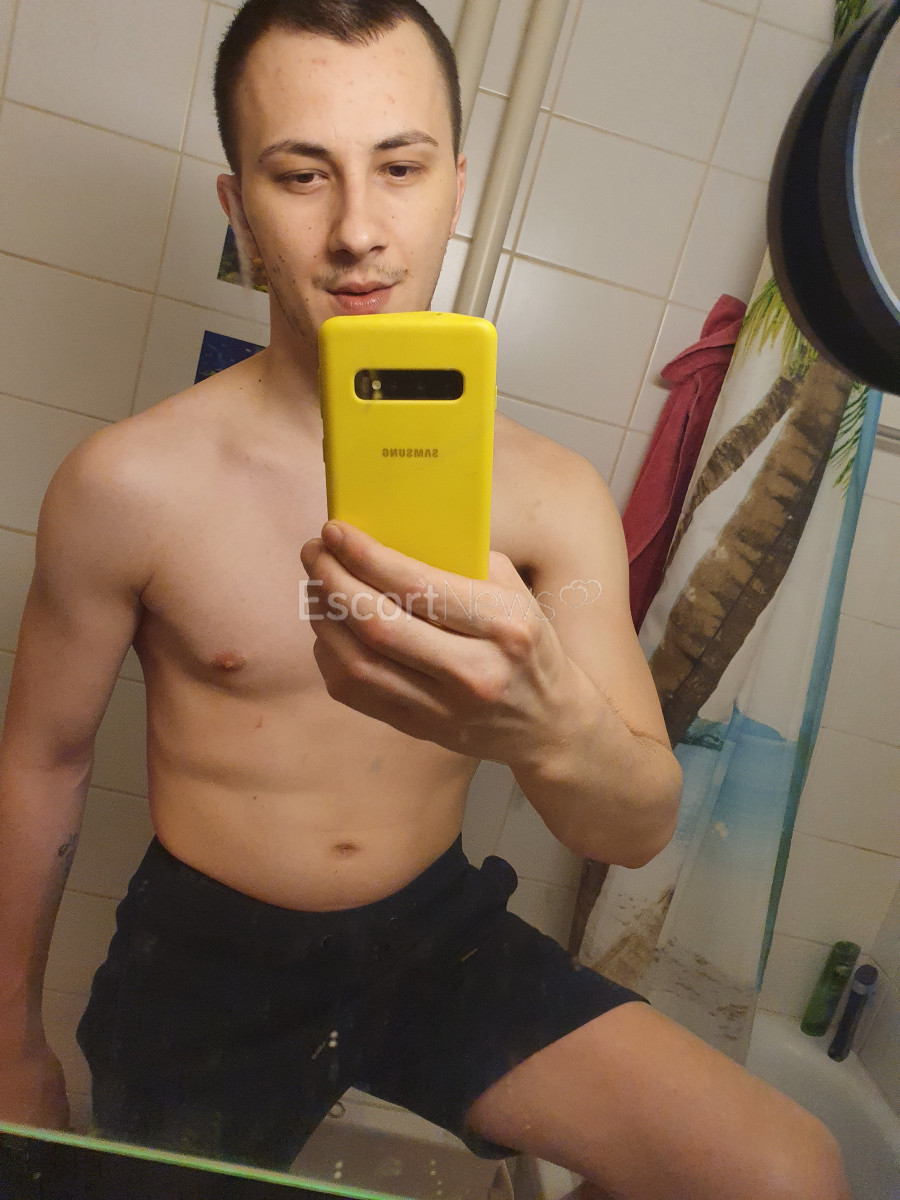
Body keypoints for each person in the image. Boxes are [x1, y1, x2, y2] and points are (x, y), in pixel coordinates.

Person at [0, 1, 851, 1196]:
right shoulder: (128, 485)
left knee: (786, 1170)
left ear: (456, 185)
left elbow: (634, 829)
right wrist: (9, 1042)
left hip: (433, 929)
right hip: (208, 949)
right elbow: (41, 763)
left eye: (399, 168)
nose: (359, 229)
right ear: (240, 209)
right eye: (302, 175)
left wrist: (549, 728)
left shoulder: (550, 497)